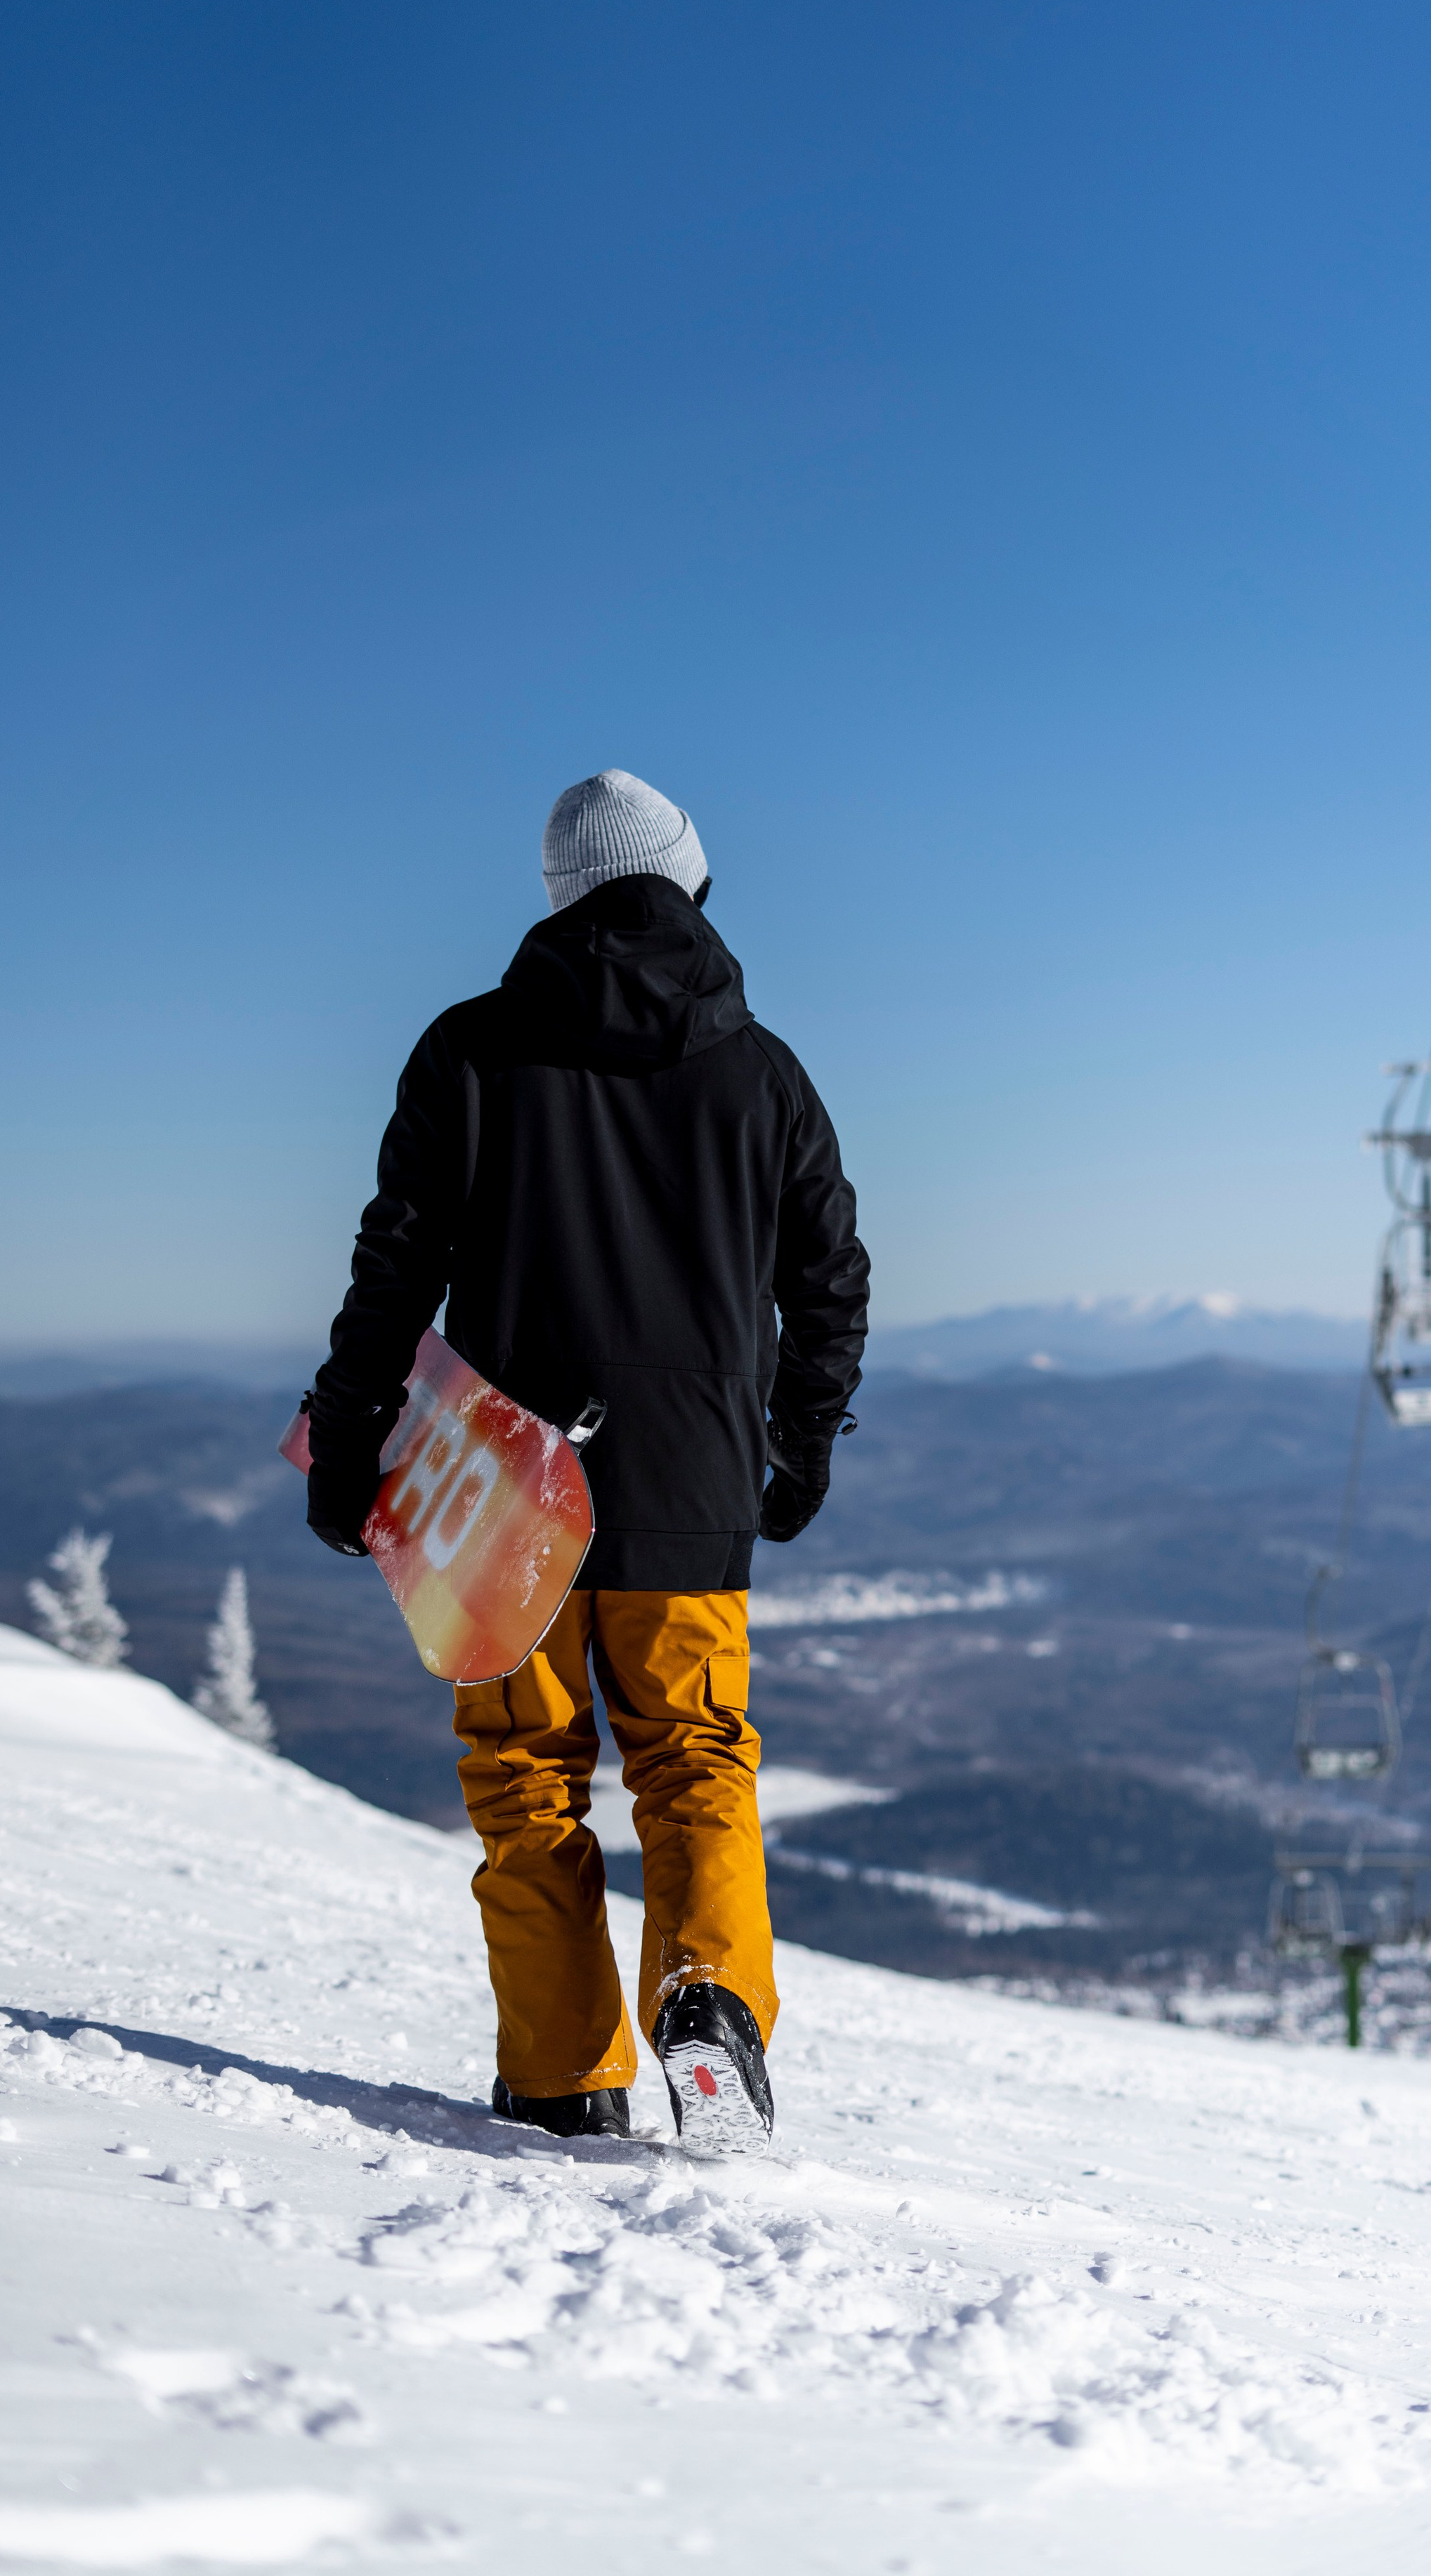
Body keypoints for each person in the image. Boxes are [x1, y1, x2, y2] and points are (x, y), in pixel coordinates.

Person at [302, 770, 868, 2153]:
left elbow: (397, 1272)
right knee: (694, 1763)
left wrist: (349, 1434)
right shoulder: (764, 1073)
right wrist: (789, 1449)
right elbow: (831, 1283)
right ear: (689, 885)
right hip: (691, 1484)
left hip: (505, 1485)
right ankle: (711, 2002)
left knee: (525, 1780)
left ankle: (560, 2077)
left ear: (558, 899)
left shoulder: (467, 1053)